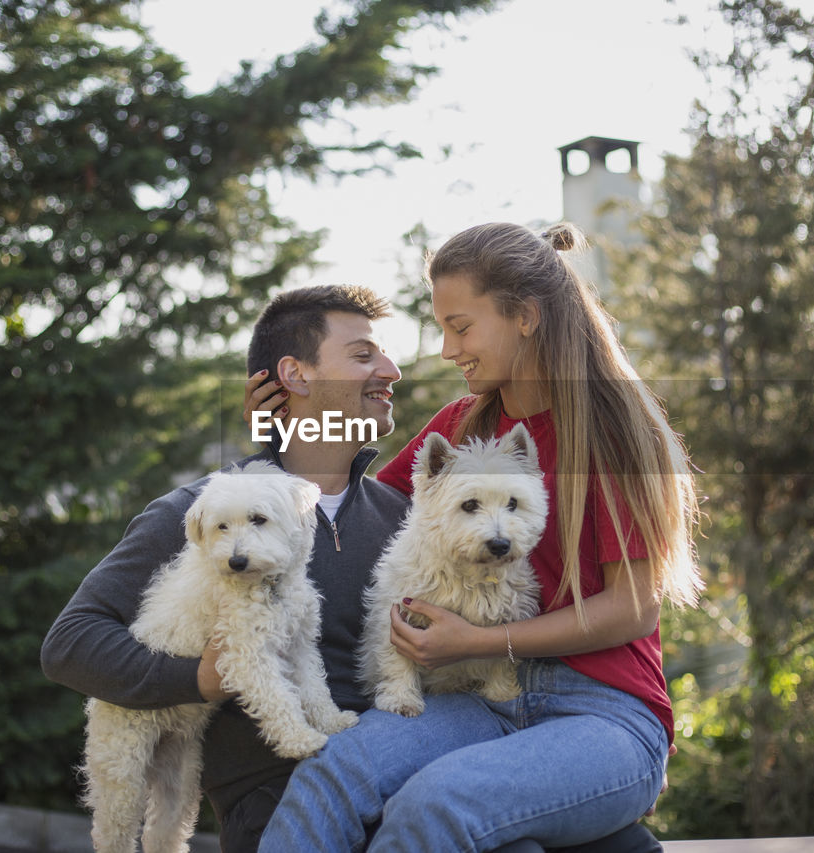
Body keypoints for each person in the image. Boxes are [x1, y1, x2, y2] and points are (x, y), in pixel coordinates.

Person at [255, 222, 702, 853]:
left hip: (604, 716)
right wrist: (284, 430)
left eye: (460, 326)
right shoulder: (460, 427)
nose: (445, 349)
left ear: (525, 316)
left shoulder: (616, 436)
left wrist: (483, 641)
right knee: (332, 775)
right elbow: (352, 509)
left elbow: (633, 608)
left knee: (433, 805)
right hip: (475, 698)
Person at [41, 284, 410, 853]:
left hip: (406, 786)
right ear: (297, 375)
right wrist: (199, 679)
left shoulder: (400, 516)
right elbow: (70, 644)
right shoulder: (198, 514)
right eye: (364, 355)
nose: (392, 370)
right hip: (280, 808)